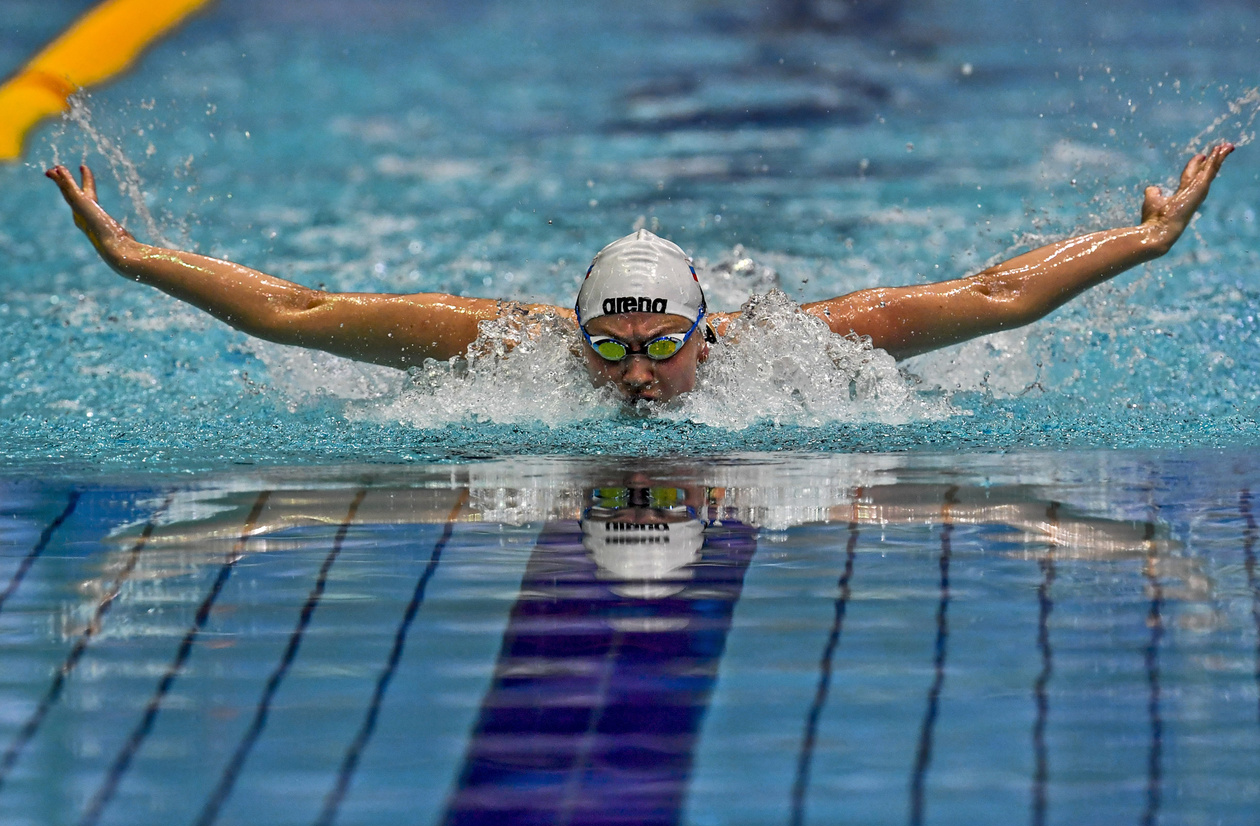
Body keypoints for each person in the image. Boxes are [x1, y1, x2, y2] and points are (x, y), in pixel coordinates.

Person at [46, 144, 1233, 404]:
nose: (637, 373)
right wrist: (139, 258)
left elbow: (991, 295)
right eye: (609, 346)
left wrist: (1142, 240)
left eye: (664, 343)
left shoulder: (799, 347)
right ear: (574, 331)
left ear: (710, 328)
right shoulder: (509, 350)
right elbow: (302, 312)